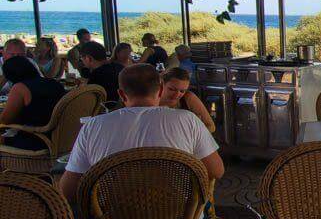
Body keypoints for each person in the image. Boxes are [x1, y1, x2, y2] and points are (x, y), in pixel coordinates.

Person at [59, 64, 224, 203]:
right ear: (160, 91)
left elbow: (69, 191)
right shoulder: (187, 120)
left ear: (122, 94)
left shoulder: (93, 126)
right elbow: (217, 171)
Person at [0, 56, 66, 151]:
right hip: (60, 136)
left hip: (36, 139)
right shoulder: (54, 83)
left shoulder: (20, 88)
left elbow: (5, 121)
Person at [161, 67, 215, 132]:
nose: (176, 95)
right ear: (162, 84)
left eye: (182, 91)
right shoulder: (151, 98)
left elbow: (211, 126)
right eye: (172, 89)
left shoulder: (188, 98)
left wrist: (190, 135)